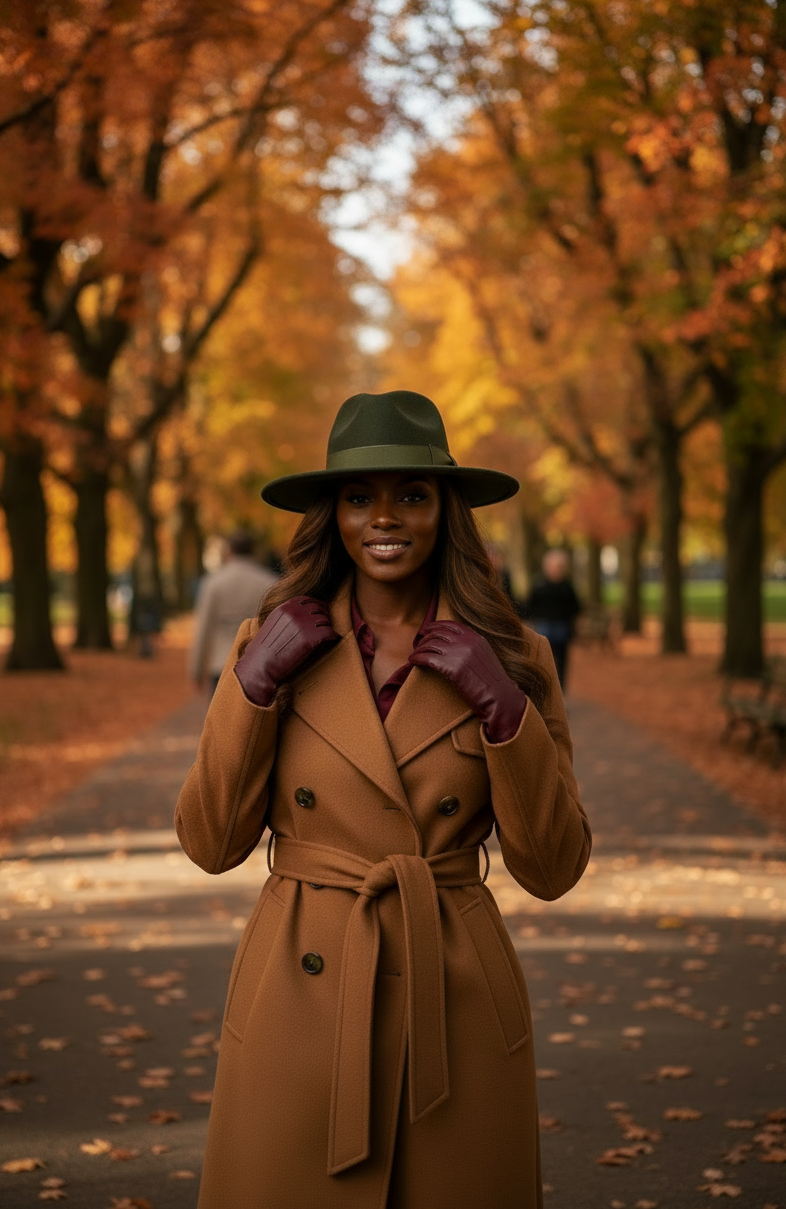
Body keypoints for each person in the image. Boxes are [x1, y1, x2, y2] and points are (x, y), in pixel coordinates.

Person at [175, 391, 591, 1209]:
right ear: (331, 514)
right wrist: (253, 686)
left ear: (447, 512)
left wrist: (502, 708)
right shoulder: (271, 644)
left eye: (411, 494)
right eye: (360, 497)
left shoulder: (515, 654)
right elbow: (212, 841)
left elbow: (551, 867)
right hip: (301, 993)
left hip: (456, 996)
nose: (384, 517)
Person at [188, 529, 277, 696]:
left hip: (221, 665)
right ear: (253, 551)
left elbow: (203, 628)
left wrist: (196, 670)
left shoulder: (213, 583)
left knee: (220, 719)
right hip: (257, 665)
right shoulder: (268, 582)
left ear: (229, 550)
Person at [526, 548, 582, 689]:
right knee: (544, 661)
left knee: (562, 661)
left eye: (558, 567)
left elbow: (575, 608)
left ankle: (560, 691)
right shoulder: (539, 586)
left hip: (562, 628)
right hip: (544, 627)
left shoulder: (567, 587)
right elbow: (530, 607)